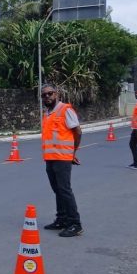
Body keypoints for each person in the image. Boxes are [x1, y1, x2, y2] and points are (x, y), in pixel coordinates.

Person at [41, 84, 84, 237]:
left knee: (65, 190)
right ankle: (62, 219)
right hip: (50, 158)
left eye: (50, 94)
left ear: (56, 94)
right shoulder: (47, 113)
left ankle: (75, 224)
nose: (47, 97)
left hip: (63, 158)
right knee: (57, 190)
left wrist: (73, 152)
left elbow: (77, 132)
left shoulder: (65, 109)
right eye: (44, 95)